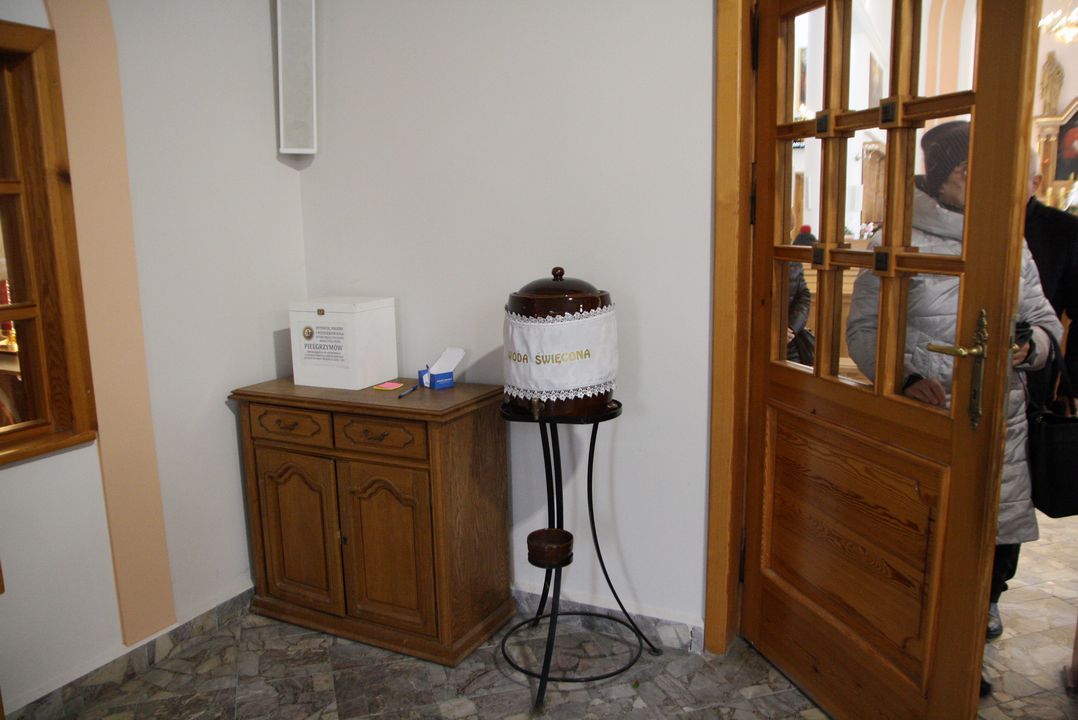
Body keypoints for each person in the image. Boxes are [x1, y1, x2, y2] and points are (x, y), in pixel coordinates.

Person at [845, 120, 1063, 697]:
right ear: (955, 173)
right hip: (929, 418)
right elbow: (864, 329)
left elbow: (1045, 323)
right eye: (977, 168)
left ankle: (967, 652)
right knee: (927, 541)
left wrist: (1033, 348)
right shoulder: (900, 238)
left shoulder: (1007, 238)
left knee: (993, 534)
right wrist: (905, 376)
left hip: (999, 419)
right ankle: (923, 654)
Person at [1024, 172, 1078, 411]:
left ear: (1035, 183)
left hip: (1035, 376)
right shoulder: (967, 221)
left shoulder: (1065, 229)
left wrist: (1071, 388)